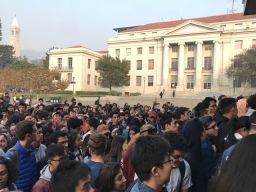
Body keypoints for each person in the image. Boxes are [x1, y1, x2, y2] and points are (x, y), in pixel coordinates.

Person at [5, 120, 38, 192]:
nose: (37, 133)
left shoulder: (32, 149)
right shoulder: (11, 154)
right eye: (35, 131)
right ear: (28, 136)